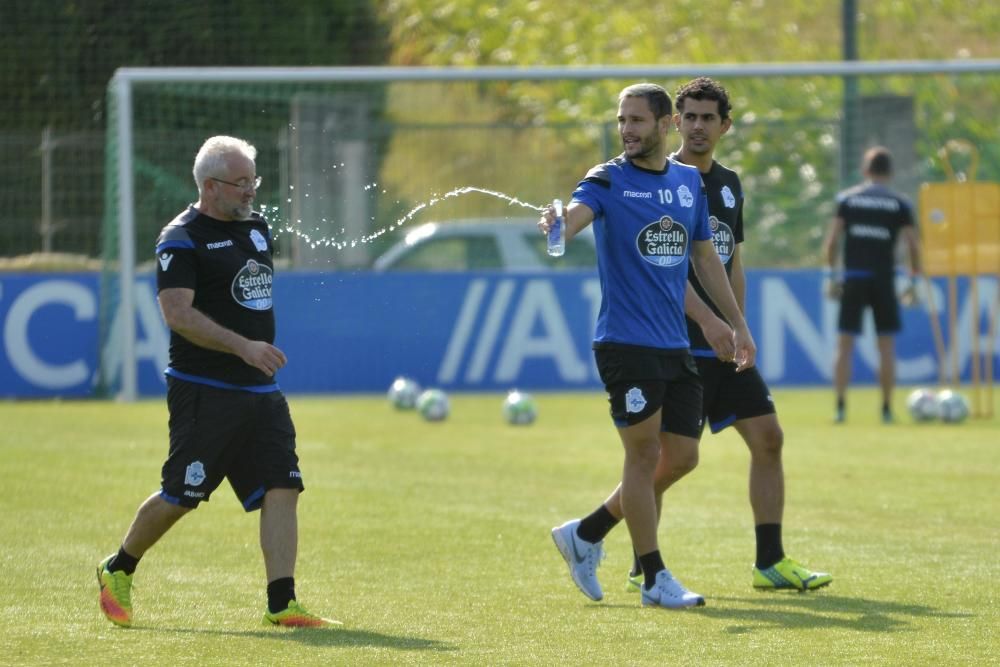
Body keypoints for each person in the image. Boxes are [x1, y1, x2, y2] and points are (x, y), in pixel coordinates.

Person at [96, 135, 338, 629]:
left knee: (283, 485)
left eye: (255, 180)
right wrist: (243, 346)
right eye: (241, 182)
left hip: (261, 391)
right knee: (181, 496)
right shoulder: (179, 239)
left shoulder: (256, 229)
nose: (251, 191)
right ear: (210, 186)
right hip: (204, 389)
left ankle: (281, 603)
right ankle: (117, 567)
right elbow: (178, 314)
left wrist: (255, 351)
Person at [542, 83, 756, 609]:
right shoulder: (607, 179)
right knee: (643, 455)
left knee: (682, 457)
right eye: (621, 121)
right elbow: (571, 221)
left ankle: (587, 532)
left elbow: (704, 258)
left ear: (664, 126)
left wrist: (732, 323)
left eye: (637, 121)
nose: (627, 130)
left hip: (673, 344)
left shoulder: (687, 184)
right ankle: (655, 578)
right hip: (623, 343)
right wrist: (556, 225)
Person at [635, 76, 829, 592]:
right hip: (676, 344)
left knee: (769, 438)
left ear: (726, 125)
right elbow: (660, 268)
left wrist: (740, 326)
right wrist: (709, 321)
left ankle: (770, 562)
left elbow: (730, 258)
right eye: (689, 117)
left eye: (708, 118)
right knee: (671, 462)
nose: (698, 126)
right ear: (675, 122)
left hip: (725, 344)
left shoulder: (728, 184)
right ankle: (641, 562)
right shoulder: (659, 180)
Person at [823, 146, 921, 424]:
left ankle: (840, 407)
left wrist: (831, 276)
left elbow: (832, 242)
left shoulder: (848, 200)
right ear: (890, 172)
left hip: (853, 277)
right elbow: (913, 244)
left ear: (865, 171)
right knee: (886, 346)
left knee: (844, 344)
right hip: (883, 279)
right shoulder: (900, 204)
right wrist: (912, 279)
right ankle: (887, 409)